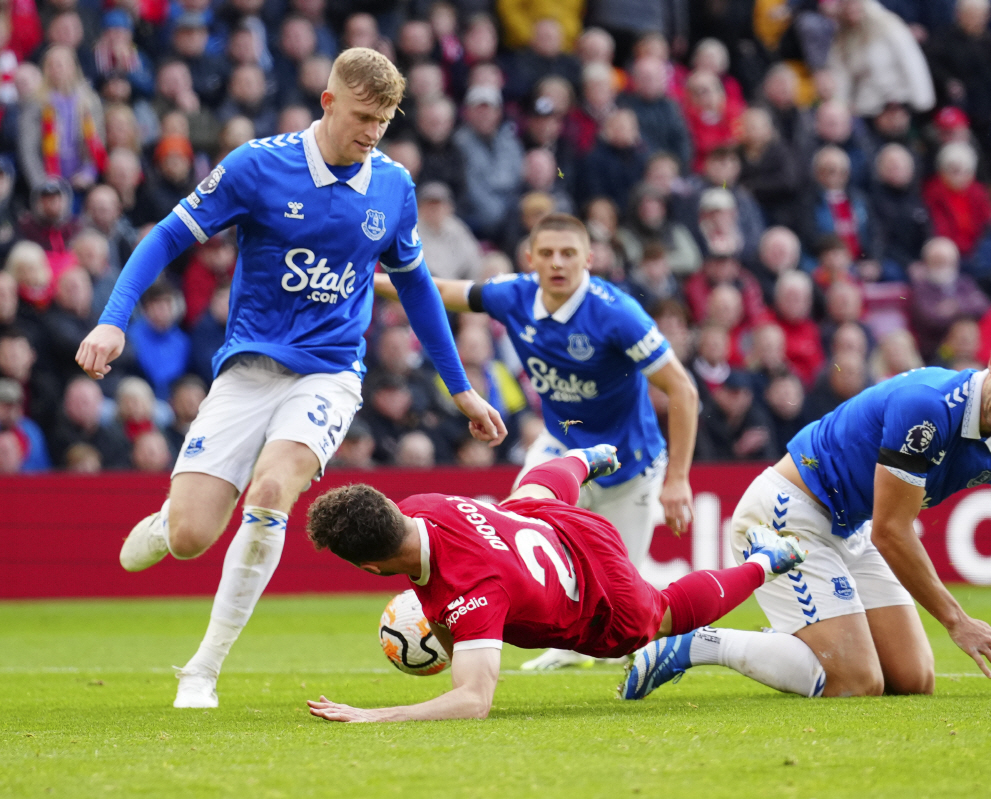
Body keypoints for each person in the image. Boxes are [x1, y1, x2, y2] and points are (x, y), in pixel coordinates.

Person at [74, 48, 506, 710]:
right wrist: (113, 320)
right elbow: (165, 236)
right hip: (249, 370)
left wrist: (460, 387)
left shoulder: (393, 186)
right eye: (362, 116)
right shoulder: (257, 165)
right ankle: (168, 525)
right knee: (191, 537)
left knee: (273, 488)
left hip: (330, 373)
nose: (372, 133)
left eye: (384, 121)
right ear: (328, 102)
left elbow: (417, 287)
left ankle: (202, 669)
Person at [623, 320, 991, 700]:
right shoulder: (929, 407)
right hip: (788, 513)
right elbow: (892, 532)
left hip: (848, 528)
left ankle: (799, 643)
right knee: (857, 681)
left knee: (913, 679)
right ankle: (697, 644)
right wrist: (957, 620)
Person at [305, 445, 814, 723]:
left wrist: (375, 716)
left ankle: (767, 561)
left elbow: (474, 702)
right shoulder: (421, 506)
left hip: (599, 588)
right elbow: (438, 588)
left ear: (372, 568)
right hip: (554, 524)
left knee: (659, 616)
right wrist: (445, 627)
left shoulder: (472, 597)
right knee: (526, 496)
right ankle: (586, 459)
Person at [426, 213, 699, 671]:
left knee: (624, 610)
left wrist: (678, 479)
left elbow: (683, 390)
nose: (557, 262)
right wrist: (365, 279)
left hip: (628, 463)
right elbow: (437, 289)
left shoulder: (618, 314)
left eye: (568, 253)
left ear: (588, 259)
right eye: (547, 253)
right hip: (562, 449)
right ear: (529, 258)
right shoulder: (513, 294)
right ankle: (548, 642)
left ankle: (647, 644)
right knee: (519, 536)